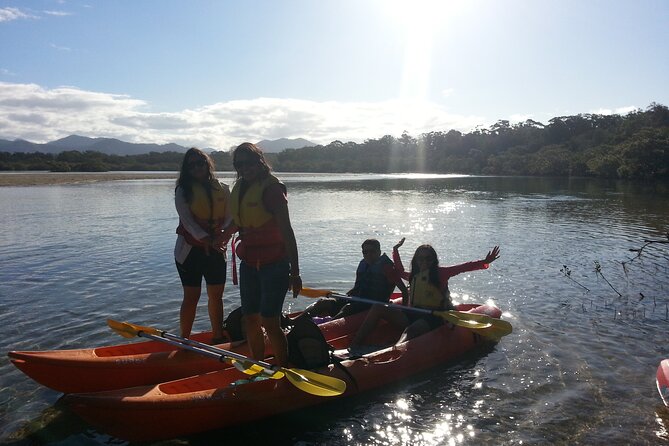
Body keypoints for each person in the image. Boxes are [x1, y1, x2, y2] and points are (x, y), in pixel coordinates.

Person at [350, 238, 500, 347]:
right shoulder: (414, 275)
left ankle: (394, 351)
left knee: (411, 330)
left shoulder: (441, 273)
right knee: (377, 307)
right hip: (413, 313)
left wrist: (485, 262)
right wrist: (395, 250)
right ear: (416, 260)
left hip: (433, 317)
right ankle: (354, 345)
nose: (424, 262)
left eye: (428, 259)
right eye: (420, 258)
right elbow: (400, 271)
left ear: (433, 260)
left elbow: (463, 267)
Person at [229, 142, 301, 366]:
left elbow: (287, 231)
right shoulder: (240, 188)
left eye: (249, 162)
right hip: (249, 263)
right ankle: (257, 364)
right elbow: (239, 223)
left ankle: (282, 367)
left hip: (275, 264)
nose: (245, 168)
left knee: (270, 321)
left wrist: (295, 273)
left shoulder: (272, 190)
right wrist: (219, 238)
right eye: (240, 164)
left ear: (260, 161)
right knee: (250, 318)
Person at [174, 148, 231, 343]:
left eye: (200, 163)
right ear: (186, 169)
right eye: (192, 165)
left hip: (216, 250)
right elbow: (187, 221)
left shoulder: (223, 188)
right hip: (189, 252)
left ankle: (217, 336)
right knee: (192, 296)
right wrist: (209, 239)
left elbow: (230, 216)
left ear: (208, 164)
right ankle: (184, 339)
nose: (197, 167)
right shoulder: (182, 191)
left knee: (216, 295)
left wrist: (222, 236)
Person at [305, 239, 408, 318]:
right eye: (365, 252)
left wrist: (404, 312)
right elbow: (358, 287)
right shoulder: (363, 264)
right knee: (323, 302)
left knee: (348, 308)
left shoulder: (387, 268)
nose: (368, 255)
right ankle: (296, 322)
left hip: (373, 305)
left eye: (372, 251)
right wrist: (343, 296)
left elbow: (404, 291)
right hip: (357, 300)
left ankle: (326, 325)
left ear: (379, 252)